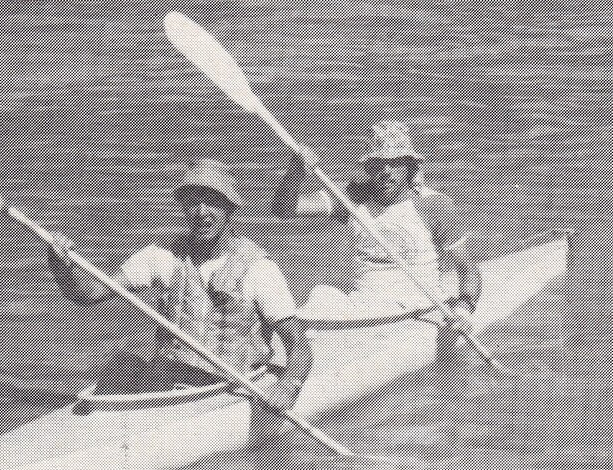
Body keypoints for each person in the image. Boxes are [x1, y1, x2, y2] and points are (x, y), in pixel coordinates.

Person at [48, 159, 312, 411]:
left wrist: (288, 386)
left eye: (213, 202)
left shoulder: (259, 269)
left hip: (225, 389)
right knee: (122, 364)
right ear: (183, 207)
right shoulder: (161, 256)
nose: (202, 212)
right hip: (166, 380)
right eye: (192, 203)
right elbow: (89, 294)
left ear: (230, 209)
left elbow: (299, 345)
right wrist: (61, 265)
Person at [272, 120, 481, 363]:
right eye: (378, 164)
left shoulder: (435, 205)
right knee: (321, 296)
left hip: (419, 307)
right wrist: (296, 172)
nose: (386, 171)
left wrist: (465, 309)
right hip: (361, 307)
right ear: (369, 168)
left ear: (411, 167)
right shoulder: (350, 196)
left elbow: (467, 269)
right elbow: (283, 210)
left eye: (395, 163)